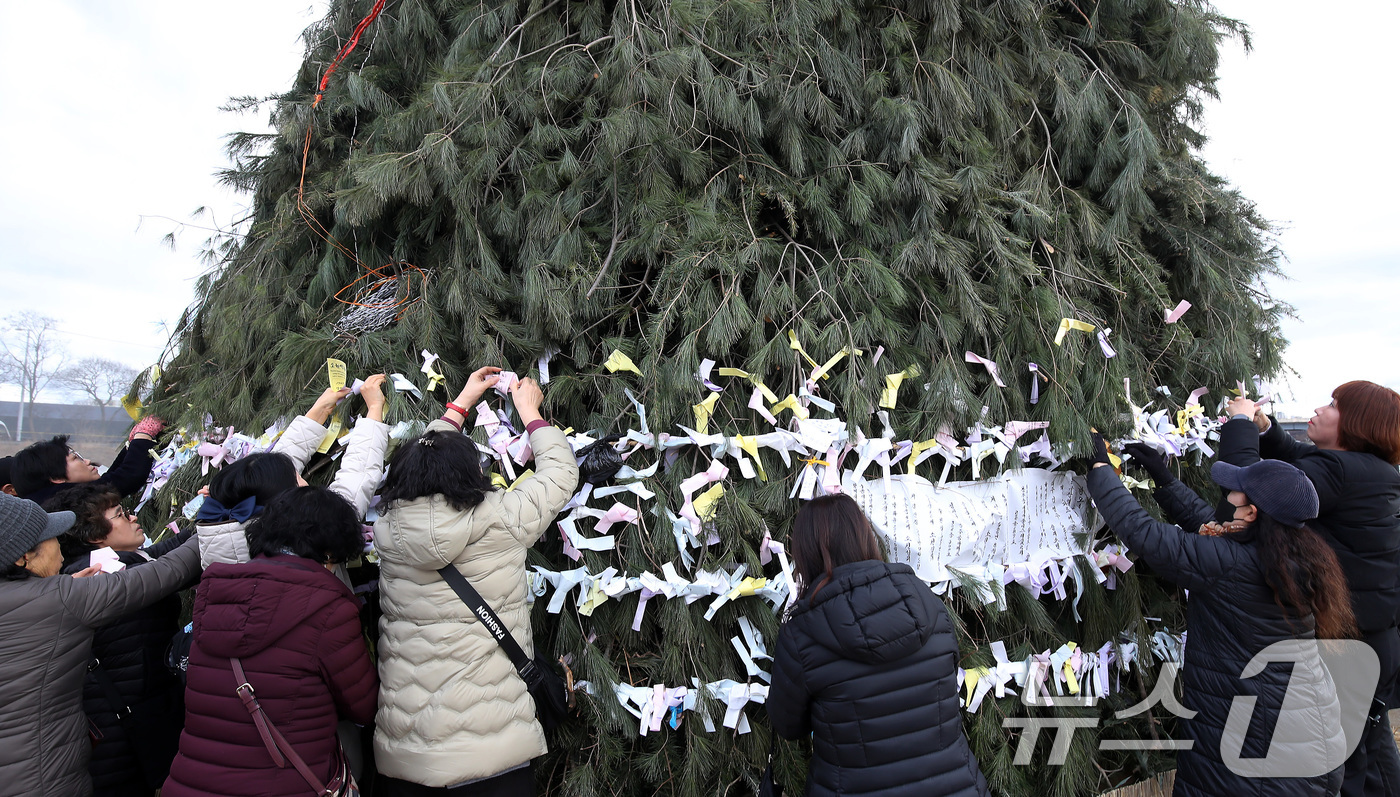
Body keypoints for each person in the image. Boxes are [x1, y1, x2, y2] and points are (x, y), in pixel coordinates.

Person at [1090, 435, 1355, 796]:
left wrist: (1102, 470)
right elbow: (1212, 528)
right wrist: (1165, 481)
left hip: (1259, 752)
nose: (1226, 496)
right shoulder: (1287, 550)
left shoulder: (1234, 564)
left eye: (1235, 492)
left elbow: (1147, 535)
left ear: (1252, 513)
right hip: (1301, 732)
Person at [373, 367, 579, 796]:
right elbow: (559, 474)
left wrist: (457, 406)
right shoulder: (500, 517)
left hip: (405, 756)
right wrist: (530, 412)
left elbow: (423, 465)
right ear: (470, 474)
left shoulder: (388, 533)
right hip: (492, 754)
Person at [1217, 383, 1400, 796]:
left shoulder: (1341, 472)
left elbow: (1257, 484)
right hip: (1374, 641)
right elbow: (1301, 459)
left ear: (1356, 423)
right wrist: (1267, 431)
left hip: (1345, 650)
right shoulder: (1370, 470)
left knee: (1334, 767)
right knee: (1368, 744)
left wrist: (1241, 424)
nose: (1319, 409)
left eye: (1334, 406)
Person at [767, 493, 991, 797]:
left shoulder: (802, 635)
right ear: (865, 538)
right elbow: (947, 681)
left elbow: (788, 725)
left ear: (805, 555)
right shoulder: (929, 605)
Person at [162, 486, 379, 796]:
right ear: (331, 552)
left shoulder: (216, 596)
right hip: (284, 785)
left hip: (191, 784)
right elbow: (363, 706)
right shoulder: (328, 610)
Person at [0, 492, 200, 797]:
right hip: (45, 780)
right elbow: (167, 573)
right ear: (21, 557)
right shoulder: (62, 598)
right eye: (49, 536)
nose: (59, 544)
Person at [196, 374, 389, 568]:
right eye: (296, 479)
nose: (303, 480)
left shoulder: (218, 534)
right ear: (283, 503)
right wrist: (374, 410)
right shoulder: (302, 542)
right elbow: (353, 486)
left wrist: (318, 412)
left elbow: (271, 471)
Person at [11, 416, 165, 504]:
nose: (87, 461)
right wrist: (144, 435)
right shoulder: (61, 503)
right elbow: (127, 477)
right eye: (75, 459)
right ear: (57, 478)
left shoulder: (46, 497)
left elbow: (109, 481)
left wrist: (131, 445)